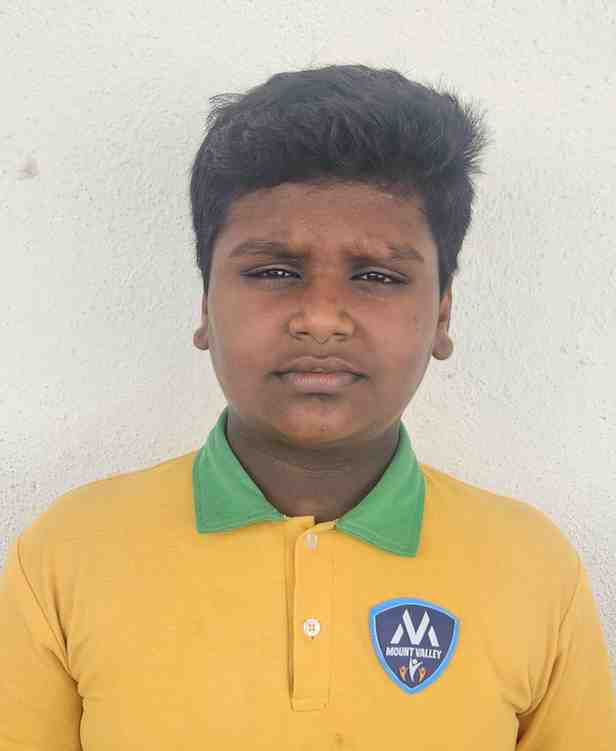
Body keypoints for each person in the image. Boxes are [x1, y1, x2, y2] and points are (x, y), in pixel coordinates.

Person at [1, 64, 615, 750]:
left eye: (377, 275)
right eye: (273, 271)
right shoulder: (69, 554)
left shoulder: (533, 569)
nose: (321, 318)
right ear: (205, 306)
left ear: (442, 315)